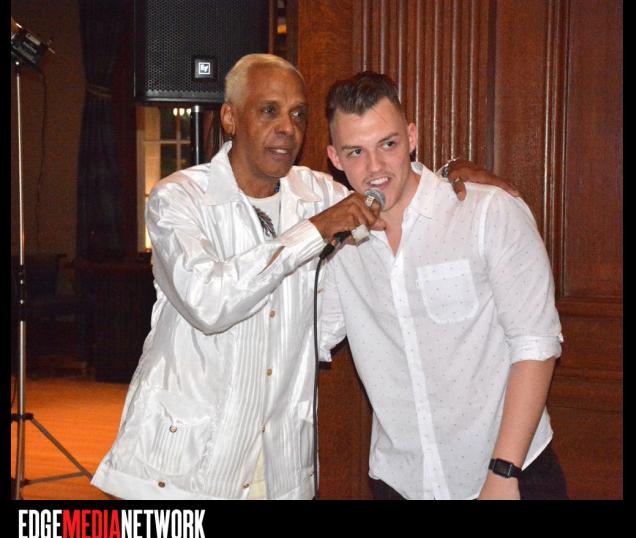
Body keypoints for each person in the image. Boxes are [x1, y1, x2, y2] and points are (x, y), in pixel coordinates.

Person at [91, 55, 513, 500]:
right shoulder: (179, 198)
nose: (287, 128)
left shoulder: (318, 193)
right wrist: (313, 231)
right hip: (186, 465)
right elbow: (209, 304)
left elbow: (389, 187)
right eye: (268, 111)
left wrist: (450, 176)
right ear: (230, 118)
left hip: (281, 464)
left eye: (297, 114)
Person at [319, 71, 568, 500]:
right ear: (335, 158)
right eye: (356, 151)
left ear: (412, 137)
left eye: (388, 144)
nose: (375, 167)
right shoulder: (340, 246)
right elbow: (305, 338)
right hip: (400, 483)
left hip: (508, 474)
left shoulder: (486, 212)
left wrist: (504, 471)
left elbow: (536, 344)